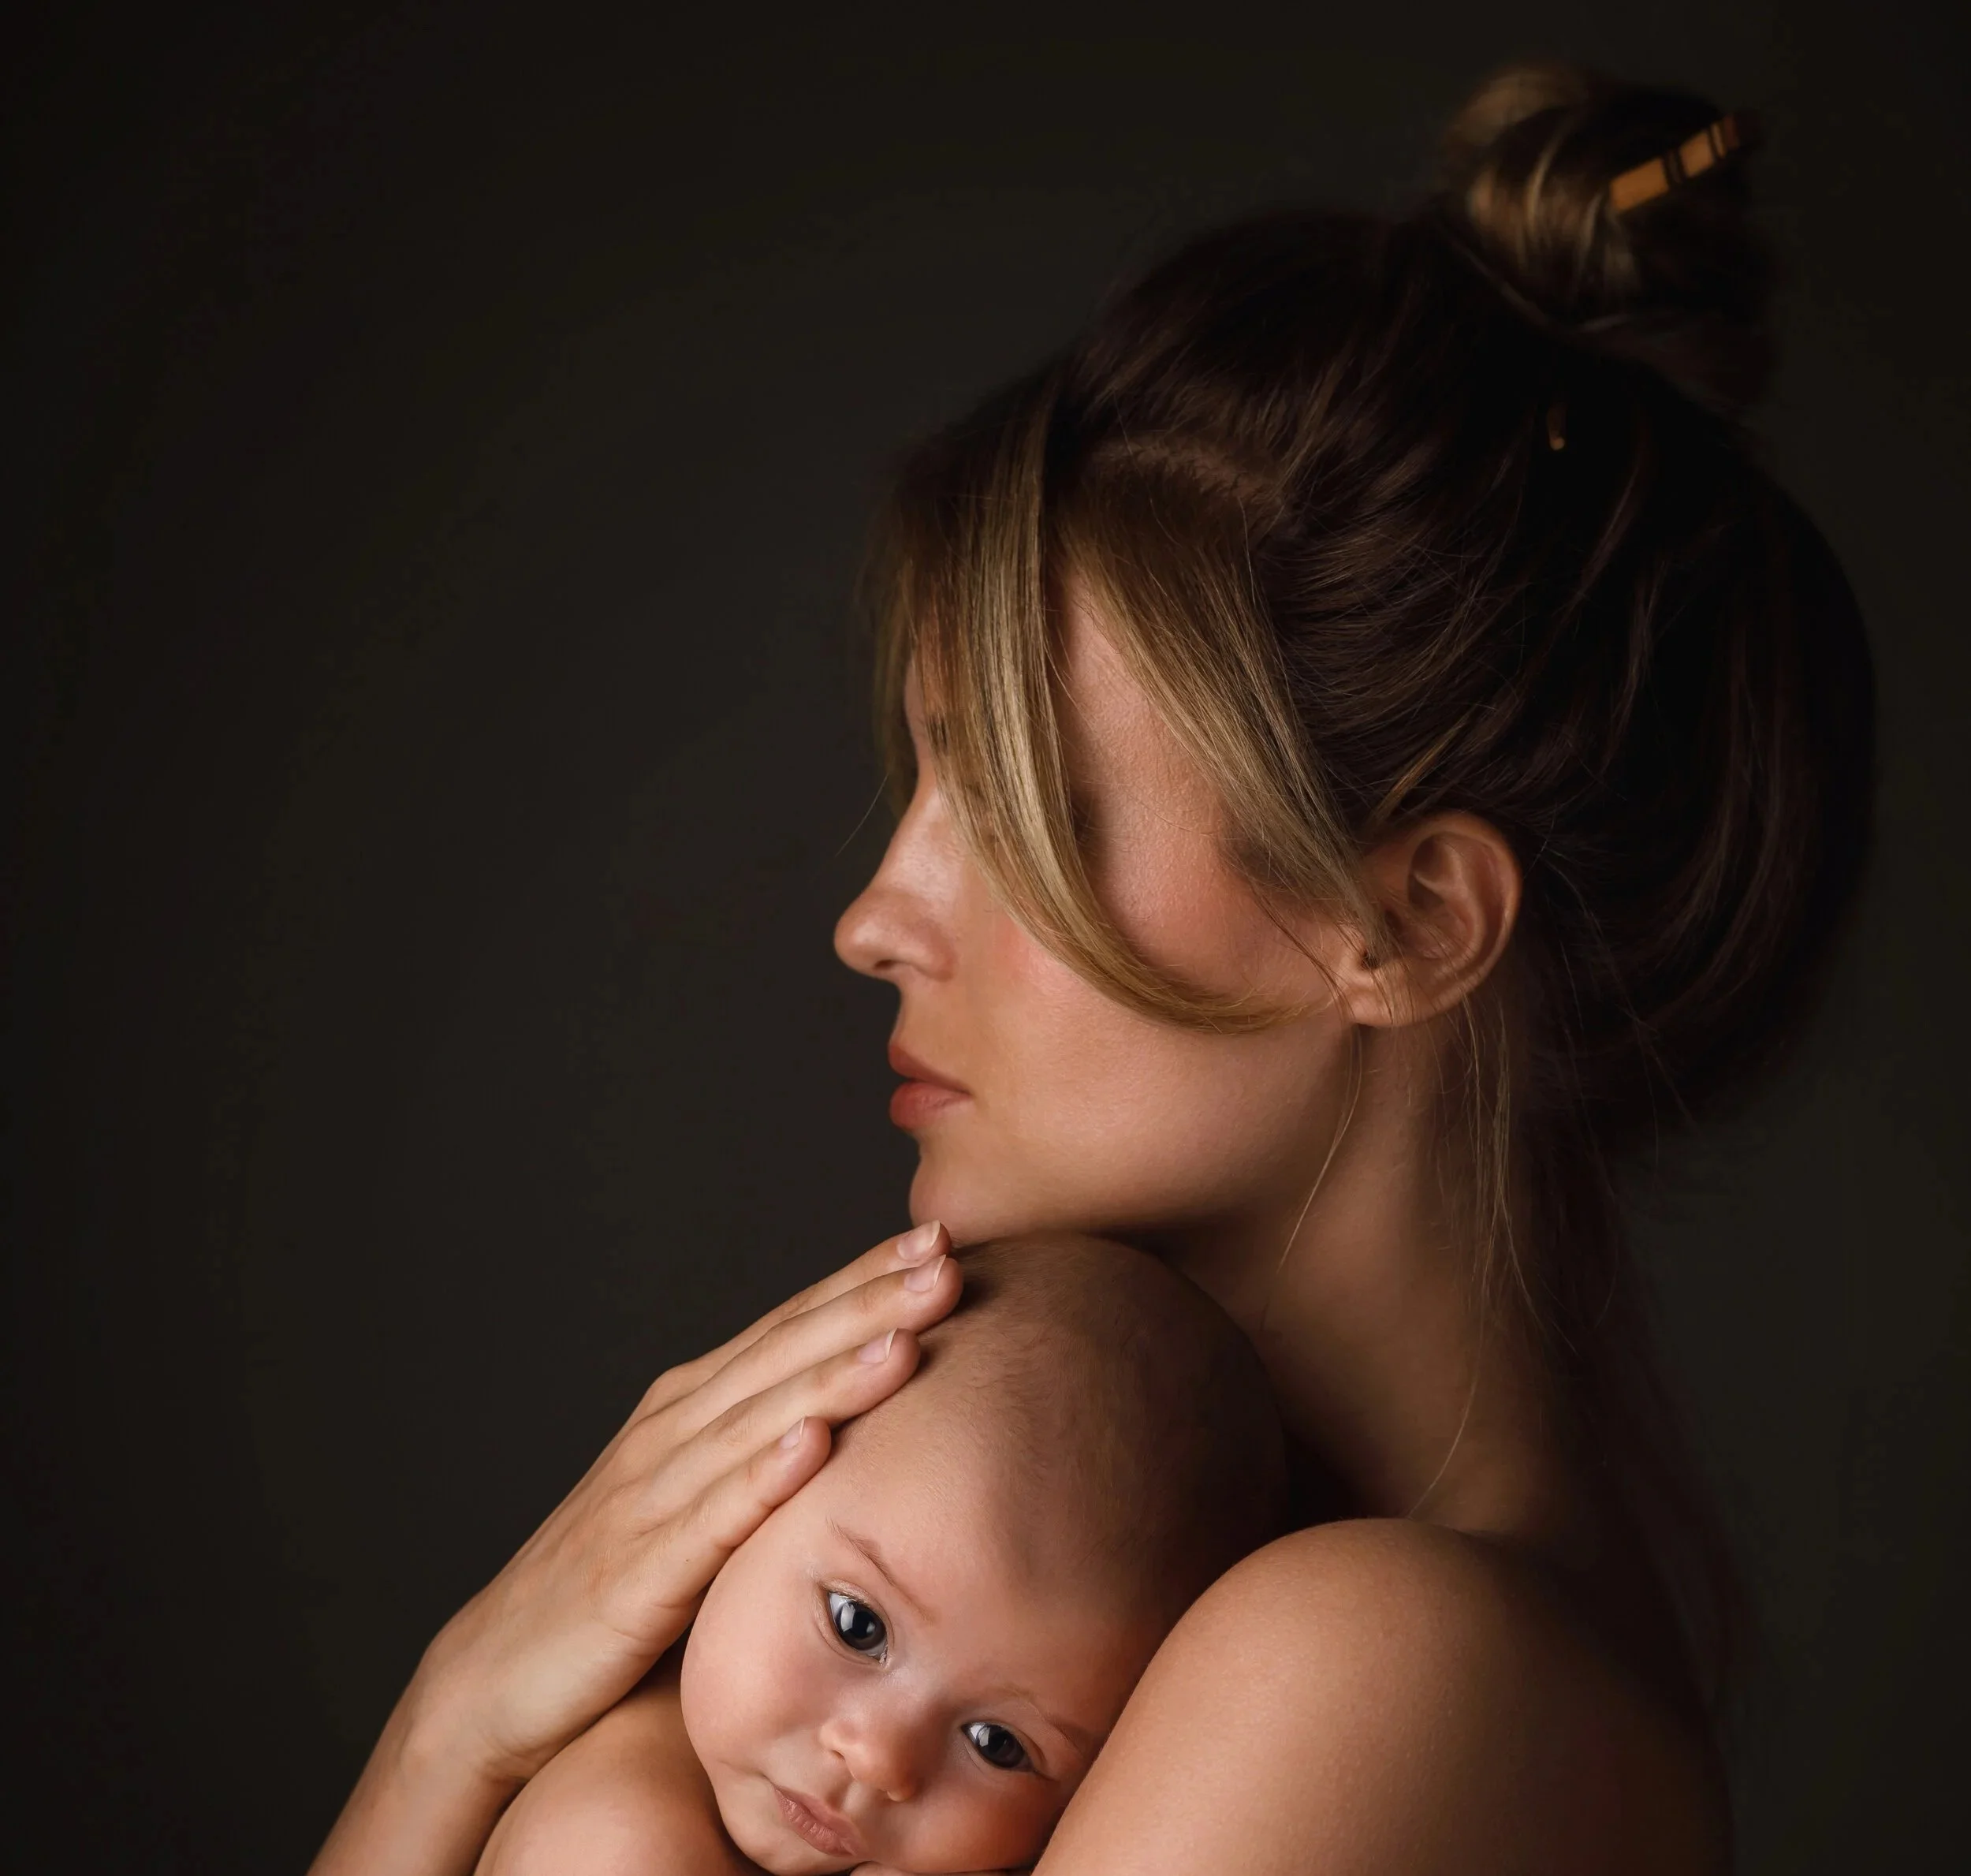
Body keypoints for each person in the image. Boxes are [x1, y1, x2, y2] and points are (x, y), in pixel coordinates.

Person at [311, 59, 1874, 1876]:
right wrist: (463, 1707)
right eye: (925, 781)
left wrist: (466, 1748)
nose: (878, 911)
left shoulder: (1386, 1666)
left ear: (1411, 920)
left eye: (1035, 795)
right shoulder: (1090, 1583)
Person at [473, 1234, 1285, 1874]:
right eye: (857, 1624)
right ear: (753, 1501)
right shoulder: (615, 1843)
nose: (879, 1760)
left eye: (998, 1745)